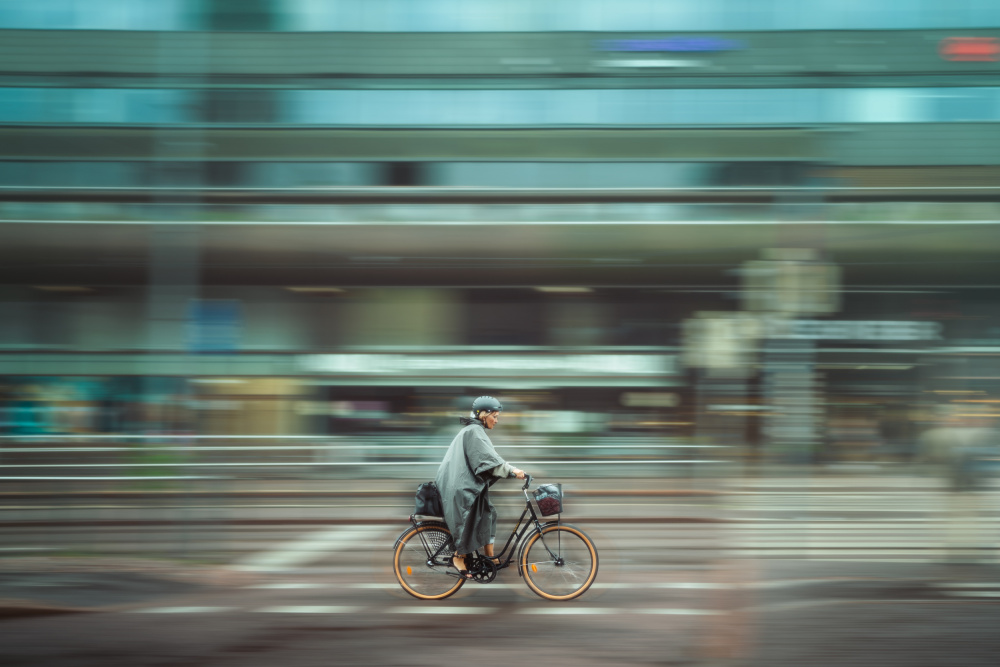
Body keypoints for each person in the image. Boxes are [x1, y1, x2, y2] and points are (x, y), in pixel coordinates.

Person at [435, 395, 525, 579]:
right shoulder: (474, 431)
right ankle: (458, 557)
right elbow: (488, 460)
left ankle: (489, 557)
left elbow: (489, 459)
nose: (497, 421)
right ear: (484, 414)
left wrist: (508, 470)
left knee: (488, 514)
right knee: (467, 518)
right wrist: (512, 470)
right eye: (495, 416)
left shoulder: (475, 430)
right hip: (459, 486)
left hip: (460, 482)